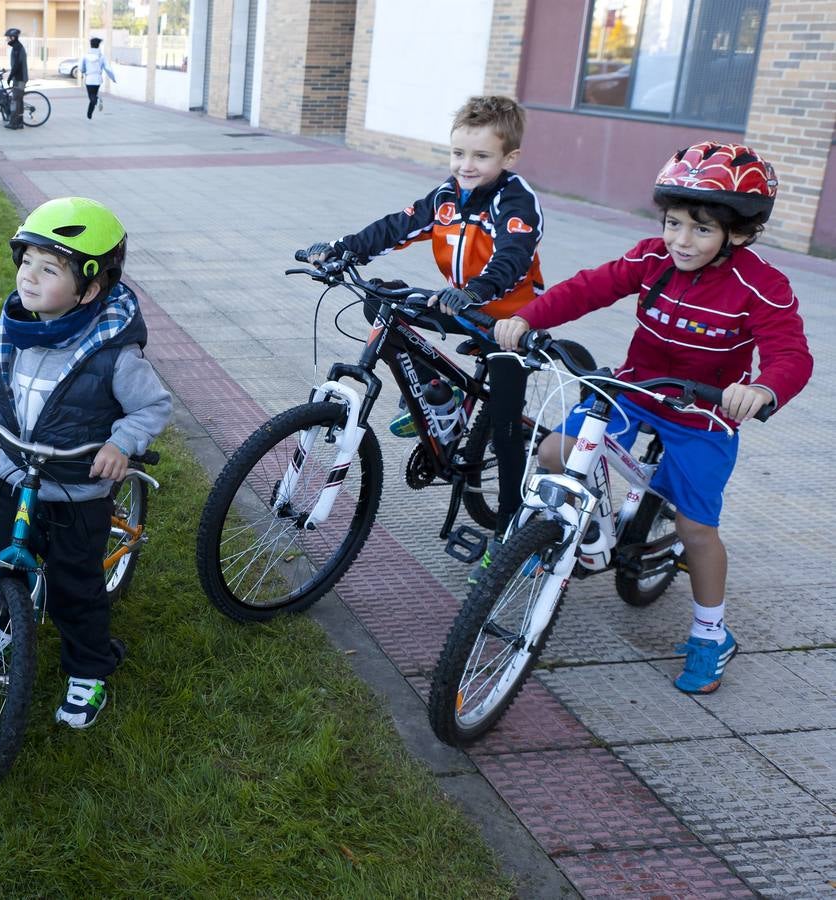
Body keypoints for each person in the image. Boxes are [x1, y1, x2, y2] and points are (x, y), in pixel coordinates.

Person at [494, 142, 811, 695]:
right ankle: (572, 530)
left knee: (695, 527)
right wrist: (527, 317)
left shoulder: (762, 285)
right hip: (636, 389)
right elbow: (589, 287)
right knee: (552, 453)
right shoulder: (650, 258)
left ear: (737, 234)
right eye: (673, 223)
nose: (681, 240)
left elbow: (791, 353)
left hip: (703, 412)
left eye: (701, 229)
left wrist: (760, 389)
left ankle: (711, 634)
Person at [305, 94, 544, 542]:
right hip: (459, 303)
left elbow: (514, 256)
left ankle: (511, 534)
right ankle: (441, 398)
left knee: (508, 432)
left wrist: (475, 291)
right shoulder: (447, 196)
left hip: (508, 319)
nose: (465, 165)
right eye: (458, 153)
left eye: (481, 156)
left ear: (509, 157)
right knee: (383, 302)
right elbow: (399, 225)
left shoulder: (516, 200)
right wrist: (341, 250)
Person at [0, 197, 171, 728]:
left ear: (90, 288)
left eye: (49, 269)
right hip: (13, 474)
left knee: (75, 587)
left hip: (76, 488)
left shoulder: (114, 353)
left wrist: (122, 443)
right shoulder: (15, 328)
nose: (29, 277)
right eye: (26, 262)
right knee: (4, 561)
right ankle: (7, 620)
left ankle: (88, 668)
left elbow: (152, 406)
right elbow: (2, 396)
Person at [80, 37, 117, 120]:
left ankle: (97, 100)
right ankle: (89, 115)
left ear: (91, 45)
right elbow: (108, 68)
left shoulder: (85, 56)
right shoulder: (102, 57)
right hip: (97, 79)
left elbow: (81, 68)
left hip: (89, 78)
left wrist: (84, 71)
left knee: (91, 97)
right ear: (98, 46)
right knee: (93, 95)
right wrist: (113, 78)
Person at [5, 28, 28, 130]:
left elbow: (17, 65)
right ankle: (19, 123)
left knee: (15, 101)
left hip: (20, 78)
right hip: (20, 77)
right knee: (19, 101)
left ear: (13, 37)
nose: (7, 39)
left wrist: (10, 76)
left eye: (8, 37)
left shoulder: (17, 48)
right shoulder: (16, 47)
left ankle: (14, 123)